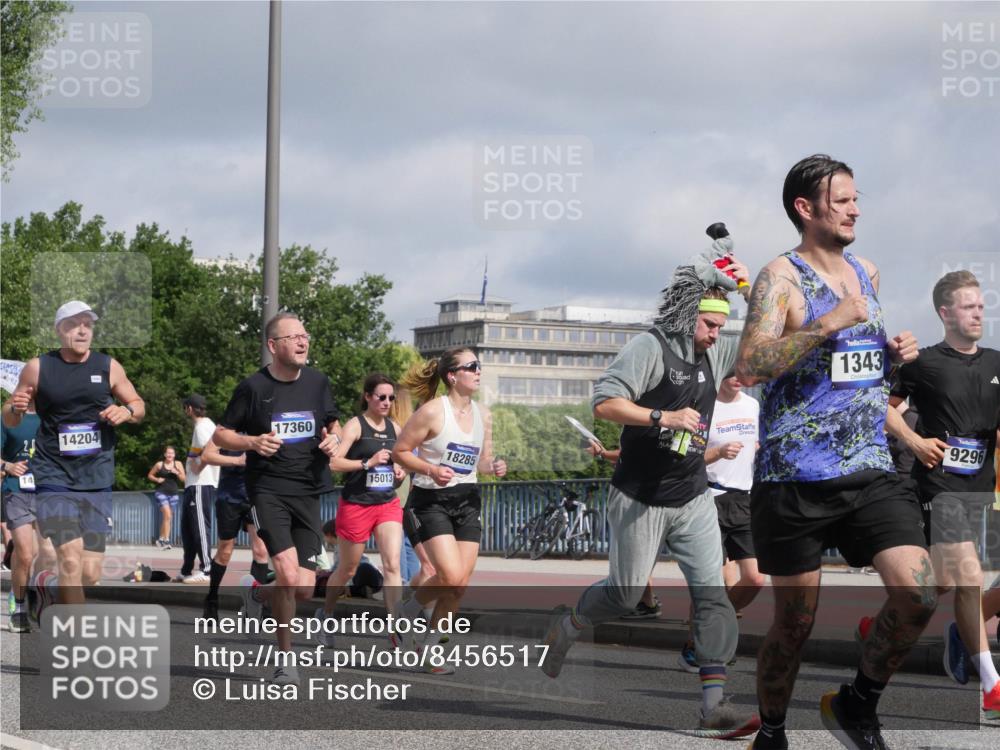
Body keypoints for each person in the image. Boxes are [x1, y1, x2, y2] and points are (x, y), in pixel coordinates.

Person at [735, 155, 936, 750]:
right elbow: (751, 365)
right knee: (795, 624)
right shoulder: (781, 277)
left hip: (869, 466)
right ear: (806, 208)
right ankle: (773, 732)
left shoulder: (866, 272)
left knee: (919, 593)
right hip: (794, 475)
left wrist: (891, 355)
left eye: (855, 199)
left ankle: (857, 702)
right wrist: (824, 324)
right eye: (841, 200)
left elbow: (854, 368)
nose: (854, 210)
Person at [539, 239, 760, 739]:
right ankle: (568, 626)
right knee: (625, 594)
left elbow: (764, 341)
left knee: (713, 594)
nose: (716, 334)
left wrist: (746, 288)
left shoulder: (717, 351)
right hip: (640, 495)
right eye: (709, 324)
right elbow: (604, 403)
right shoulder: (651, 348)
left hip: (693, 494)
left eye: (721, 325)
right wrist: (663, 416)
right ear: (688, 317)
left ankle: (713, 708)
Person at [876, 270, 1000, 718]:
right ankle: (992, 686)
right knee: (969, 576)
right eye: (969, 307)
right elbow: (881, 409)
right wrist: (914, 442)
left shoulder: (996, 363)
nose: (978, 314)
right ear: (946, 314)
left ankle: (884, 625)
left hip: (978, 487)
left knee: (940, 583)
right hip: (937, 485)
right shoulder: (922, 363)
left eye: (981, 307)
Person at [214, 312, 341, 686]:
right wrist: (252, 442)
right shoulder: (253, 388)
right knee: (286, 572)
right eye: (293, 337)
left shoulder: (318, 382)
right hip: (267, 490)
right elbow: (221, 435)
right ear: (273, 345)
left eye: (305, 335)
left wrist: (334, 438)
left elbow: (331, 422)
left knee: (303, 588)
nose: (303, 341)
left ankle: (258, 595)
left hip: (308, 490)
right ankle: (286, 661)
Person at [2, 300, 145, 610]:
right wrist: (14, 407)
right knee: (69, 557)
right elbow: (11, 417)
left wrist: (127, 411)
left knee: (89, 574)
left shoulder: (108, 366)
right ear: (59, 330)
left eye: (87, 324)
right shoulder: (38, 367)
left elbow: (138, 405)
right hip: (54, 477)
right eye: (74, 324)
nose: (82, 330)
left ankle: (45, 586)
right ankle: (77, 633)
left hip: (97, 477)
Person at [392, 348, 507, 674]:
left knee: (459, 585)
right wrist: (430, 469)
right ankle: (406, 613)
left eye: (479, 365)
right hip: (432, 501)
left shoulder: (484, 414)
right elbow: (400, 452)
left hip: (468, 500)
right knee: (450, 575)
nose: (478, 370)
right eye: (472, 366)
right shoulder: (432, 412)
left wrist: (493, 466)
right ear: (452, 376)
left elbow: (481, 461)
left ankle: (430, 651)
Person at [679, 371, 765, 671]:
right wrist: (718, 452)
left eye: (743, 372)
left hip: (745, 499)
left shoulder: (752, 405)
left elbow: (756, 444)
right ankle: (697, 645)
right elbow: (683, 454)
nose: (739, 377)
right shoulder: (702, 407)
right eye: (731, 372)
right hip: (709, 498)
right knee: (710, 580)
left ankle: (715, 627)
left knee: (755, 578)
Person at [316, 373, 405, 646]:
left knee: (392, 565)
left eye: (391, 397)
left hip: (387, 503)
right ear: (367, 396)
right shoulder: (356, 425)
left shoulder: (395, 428)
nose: (387, 402)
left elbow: (399, 463)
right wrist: (368, 463)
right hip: (357, 505)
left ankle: (395, 629)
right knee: (348, 569)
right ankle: (326, 614)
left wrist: (399, 471)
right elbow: (334, 463)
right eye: (381, 397)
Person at [584, 441, 662, 620]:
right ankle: (647, 600)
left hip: (642, 496)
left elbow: (635, 454)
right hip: (654, 494)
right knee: (641, 554)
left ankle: (647, 603)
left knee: (637, 553)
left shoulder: (647, 427)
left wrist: (603, 453)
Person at [199, 438, 272, 620]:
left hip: (256, 497)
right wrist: (237, 460)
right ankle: (212, 600)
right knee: (225, 552)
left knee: (261, 551)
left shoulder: (262, 428)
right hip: (229, 497)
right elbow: (206, 456)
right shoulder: (225, 431)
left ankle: (254, 604)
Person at [2, 404, 56, 632]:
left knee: (49, 553)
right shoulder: (7, 417)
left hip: (48, 491)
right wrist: (7, 465)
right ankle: (19, 608)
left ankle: (36, 596)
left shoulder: (53, 415)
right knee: (25, 554)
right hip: (17, 491)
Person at [179, 394, 219, 583]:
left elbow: (210, 449)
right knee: (187, 528)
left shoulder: (202, 426)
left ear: (189, 409)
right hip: (193, 484)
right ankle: (186, 569)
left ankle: (207, 569)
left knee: (200, 527)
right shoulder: (207, 425)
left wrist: (199, 466)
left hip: (200, 483)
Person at [146, 446, 185, 550]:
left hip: (174, 493)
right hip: (161, 492)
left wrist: (177, 472)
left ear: (174, 455)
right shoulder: (159, 464)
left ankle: (160, 539)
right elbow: (150, 475)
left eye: (172, 453)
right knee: (167, 515)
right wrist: (157, 479)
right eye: (168, 453)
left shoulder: (178, 464)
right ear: (165, 454)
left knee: (168, 517)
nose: (170, 455)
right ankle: (166, 541)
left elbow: (183, 479)